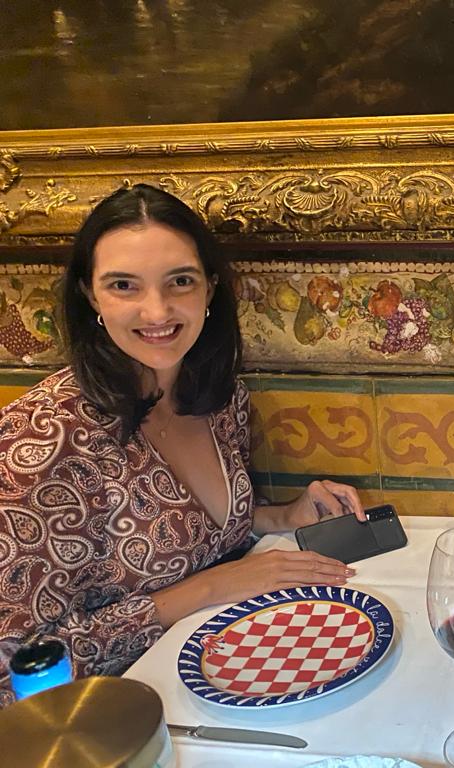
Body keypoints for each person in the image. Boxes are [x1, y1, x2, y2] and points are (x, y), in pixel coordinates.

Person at [0, 184, 365, 706]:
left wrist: (285, 516)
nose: (157, 311)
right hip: (114, 715)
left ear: (209, 289)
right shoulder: (42, 440)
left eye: (180, 281)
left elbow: (193, 535)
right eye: (124, 285)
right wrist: (210, 587)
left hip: (226, 671)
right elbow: (15, 667)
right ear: (90, 296)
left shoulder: (219, 397)